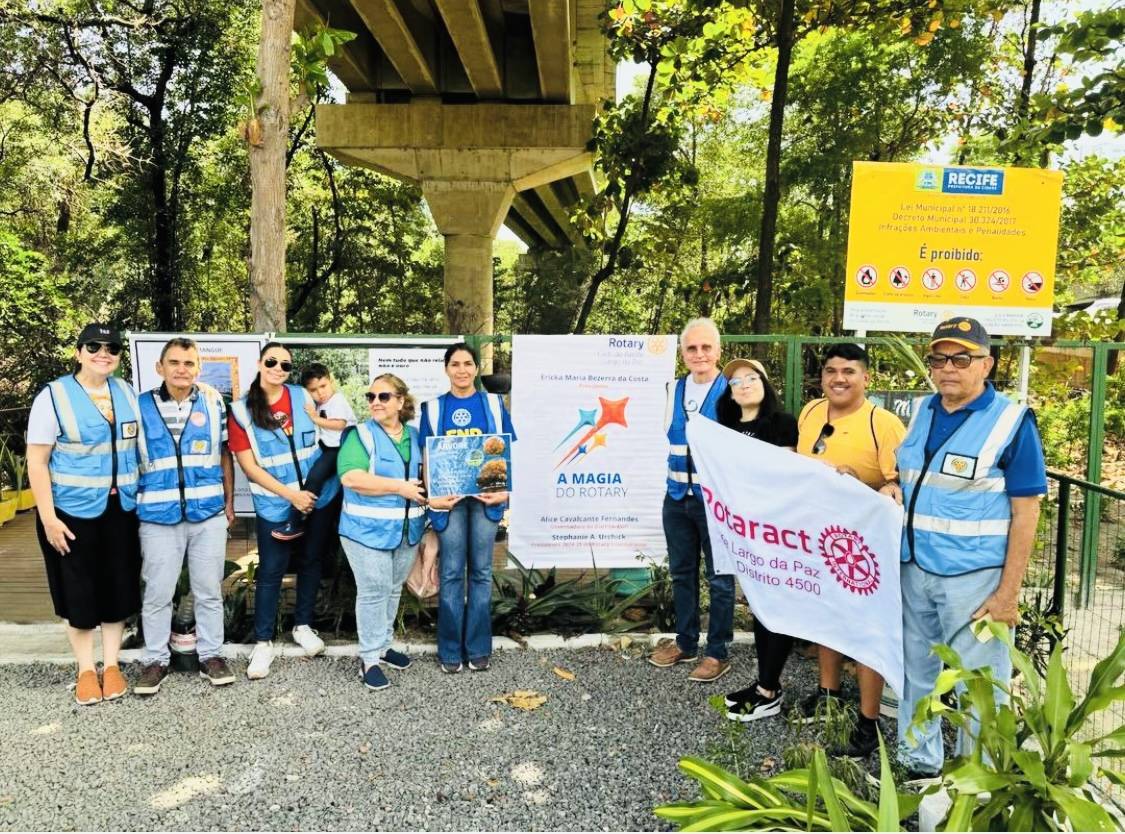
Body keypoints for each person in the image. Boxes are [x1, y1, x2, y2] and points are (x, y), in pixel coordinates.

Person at [880, 317, 1045, 781]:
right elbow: (913, 476)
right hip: (915, 570)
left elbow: (1026, 512)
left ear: (986, 364)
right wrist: (894, 488)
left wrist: (1008, 594)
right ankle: (919, 768)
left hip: (975, 583)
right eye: (939, 358)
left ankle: (978, 780)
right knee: (916, 673)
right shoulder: (924, 411)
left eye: (962, 358)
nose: (948, 368)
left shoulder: (1011, 422)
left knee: (979, 685)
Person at [795, 343, 906, 757]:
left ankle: (868, 720)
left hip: (861, 547)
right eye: (830, 371)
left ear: (866, 378)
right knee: (827, 617)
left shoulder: (883, 423)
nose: (838, 378)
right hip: (816, 535)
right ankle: (828, 693)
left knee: (865, 629)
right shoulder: (810, 412)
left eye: (848, 371)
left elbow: (900, 484)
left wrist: (863, 480)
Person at [26, 323, 141, 704]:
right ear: (78, 352)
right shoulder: (54, 396)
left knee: (117, 587)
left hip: (120, 509)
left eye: (111, 348)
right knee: (79, 592)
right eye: (94, 346)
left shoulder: (126, 392)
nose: (103, 353)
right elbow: (37, 461)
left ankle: (111, 665)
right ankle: (85, 670)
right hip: (69, 513)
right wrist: (48, 519)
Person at [228, 342, 342, 680]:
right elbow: (249, 467)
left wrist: (310, 492)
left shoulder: (301, 397)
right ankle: (263, 641)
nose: (279, 368)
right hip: (277, 502)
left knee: (311, 561)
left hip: (318, 496)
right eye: (272, 361)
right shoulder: (240, 411)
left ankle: (302, 625)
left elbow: (326, 436)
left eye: (286, 365)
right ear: (260, 363)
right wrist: (292, 495)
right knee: (272, 570)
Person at [133, 338, 237, 695]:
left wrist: (228, 501)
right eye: (174, 362)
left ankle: (212, 655)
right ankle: (154, 661)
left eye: (189, 363)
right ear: (159, 367)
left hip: (206, 512)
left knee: (209, 590)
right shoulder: (139, 406)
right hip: (158, 516)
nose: (182, 369)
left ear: (199, 368)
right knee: (158, 592)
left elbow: (224, 454)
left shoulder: (213, 403)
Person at [712, 358, 801, 720]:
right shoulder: (724, 427)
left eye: (751, 378)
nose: (743, 384)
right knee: (758, 607)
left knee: (774, 609)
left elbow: (784, 477)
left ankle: (768, 690)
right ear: (730, 394)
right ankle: (765, 683)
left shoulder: (782, 424)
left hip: (773, 533)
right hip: (741, 534)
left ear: (765, 383)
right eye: (735, 381)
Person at [419, 343, 516, 674]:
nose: (462, 369)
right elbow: (428, 458)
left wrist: (504, 491)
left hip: (485, 500)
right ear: (446, 369)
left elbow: (503, 451)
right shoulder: (433, 408)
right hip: (450, 501)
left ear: (476, 368)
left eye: (468, 363)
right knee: (450, 572)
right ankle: (449, 649)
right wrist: (432, 497)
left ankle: (477, 647)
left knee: (480, 573)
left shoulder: (492, 403)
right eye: (455, 364)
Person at [648, 317, 735, 683]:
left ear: (718, 351)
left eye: (706, 347)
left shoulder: (732, 390)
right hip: (676, 497)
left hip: (714, 502)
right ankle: (685, 642)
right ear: (683, 353)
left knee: (720, 578)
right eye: (692, 348)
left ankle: (717, 652)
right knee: (681, 573)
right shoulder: (672, 389)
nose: (699, 354)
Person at [337, 373, 427, 691]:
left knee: (392, 589)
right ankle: (369, 659)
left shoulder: (416, 436)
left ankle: (385, 646)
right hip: (365, 531)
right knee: (374, 591)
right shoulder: (360, 435)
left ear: (401, 401)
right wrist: (398, 487)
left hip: (406, 530)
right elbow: (351, 478)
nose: (375, 402)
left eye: (383, 396)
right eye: (371, 396)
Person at [272, 363, 357, 542]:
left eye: (323, 386)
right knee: (314, 479)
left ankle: (296, 519)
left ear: (331, 381)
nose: (321, 392)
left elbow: (339, 424)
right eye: (314, 389)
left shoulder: (338, 400)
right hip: (327, 448)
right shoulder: (318, 404)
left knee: (315, 479)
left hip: (339, 450)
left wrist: (315, 418)